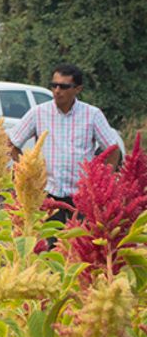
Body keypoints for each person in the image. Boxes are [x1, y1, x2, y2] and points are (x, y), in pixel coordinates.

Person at [8, 62, 121, 222]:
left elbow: (113, 149)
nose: (57, 91)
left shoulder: (92, 115)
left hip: (83, 196)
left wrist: (103, 182)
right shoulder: (39, 113)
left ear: (78, 89)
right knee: (49, 244)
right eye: (54, 85)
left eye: (63, 86)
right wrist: (27, 170)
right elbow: (11, 143)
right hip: (48, 194)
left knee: (82, 242)